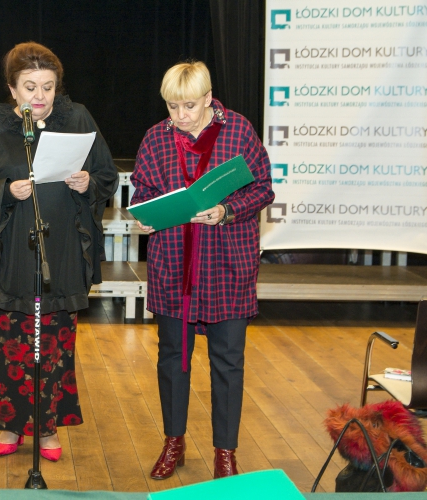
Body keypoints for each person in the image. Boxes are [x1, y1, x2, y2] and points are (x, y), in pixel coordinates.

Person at [0, 42, 118, 462]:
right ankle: (12, 422)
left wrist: (88, 182)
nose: (40, 96)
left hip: (62, 249)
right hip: (14, 250)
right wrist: (5, 191)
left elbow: (108, 176)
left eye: (47, 86)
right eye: (30, 87)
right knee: (14, 343)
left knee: (56, 345)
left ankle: (47, 428)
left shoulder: (77, 118)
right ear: (12, 89)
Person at [130, 61, 274, 480]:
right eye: (172, 107)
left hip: (228, 262)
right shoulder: (157, 137)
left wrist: (227, 210)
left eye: (189, 106)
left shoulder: (239, 131)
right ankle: (173, 442)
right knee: (173, 358)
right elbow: (142, 191)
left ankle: (225, 452)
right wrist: (146, 215)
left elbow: (263, 188)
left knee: (228, 361)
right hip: (174, 262)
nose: (180, 115)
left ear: (209, 98)